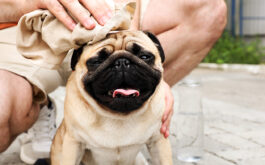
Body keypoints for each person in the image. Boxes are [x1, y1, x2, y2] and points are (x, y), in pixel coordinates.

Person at [0, 0, 227, 162]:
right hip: (21, 29)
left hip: (109, 16)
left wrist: (135, 41)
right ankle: (38, 105)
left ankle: (131, 128)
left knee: (208, 9)